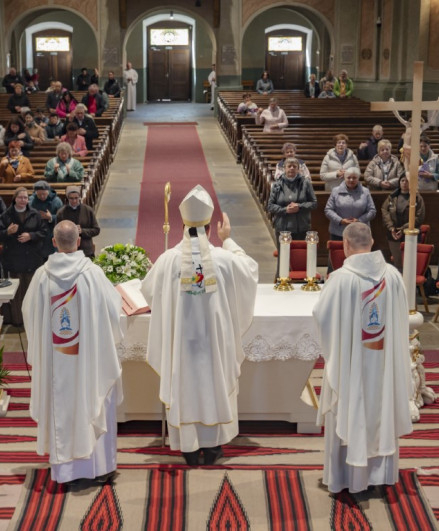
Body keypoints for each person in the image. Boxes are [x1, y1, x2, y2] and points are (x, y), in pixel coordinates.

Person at [142, 185, 259, 466]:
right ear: (209, 228)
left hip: (181, 344)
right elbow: (250, 272)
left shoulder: (168, 260)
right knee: (214, 384)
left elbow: (148, 291)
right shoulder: (224, 258)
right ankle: (214, 447)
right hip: (214, 343)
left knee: (184, 385)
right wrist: (228, 240)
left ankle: (189, 449)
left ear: (183, 225)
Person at [22, 219, 124, 489]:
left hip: (56, 362)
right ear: (79, 241)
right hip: (90, 362)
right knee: (94, 399)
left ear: (54, 242)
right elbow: (113, 311)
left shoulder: (42, 277)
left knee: (62, 405)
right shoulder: (93, 275)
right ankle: (99, 468)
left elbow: (28, 313)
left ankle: (66, 472)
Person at [312, 221, 412, 494]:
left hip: (351, 368)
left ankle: (346, 479)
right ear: (372, 242)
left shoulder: (340, 280)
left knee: (350, 405)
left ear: (345, 244)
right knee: (381, 406)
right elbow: (401, 321)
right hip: (383, 365)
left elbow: (322, 317)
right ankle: (381, 476)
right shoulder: (393, 276)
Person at [0, 187, 50, 326]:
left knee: (32, 292)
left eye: (26, 197)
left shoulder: (34, 214)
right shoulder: (6, 215)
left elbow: (44, 231)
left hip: (32, 258)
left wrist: (31, 235)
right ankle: (18, 321)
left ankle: (33, 321)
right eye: (20, 197)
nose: (23, 200)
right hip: (14, 259)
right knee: (17, 293)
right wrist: (8, 232)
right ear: (15, 198)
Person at [267, 157, 317, 243]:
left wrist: (299, 206)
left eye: (294, 166)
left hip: (301, 227)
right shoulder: (277, 184)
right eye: (289, 166)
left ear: (298, 169)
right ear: (284, 168)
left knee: (300, 251)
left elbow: (314, 203)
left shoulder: (305, 183)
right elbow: (270, 206)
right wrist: (285, 209)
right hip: (283, 228)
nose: (292, 168)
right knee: (283, 252)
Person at [381, 175, 425, 270]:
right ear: (399, 183)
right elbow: (384, 210)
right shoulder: (392, 196)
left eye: (407, 181)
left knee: (410, 262)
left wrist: (403, 229)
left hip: (409, 232)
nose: (404, 183)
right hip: (393, 233)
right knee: (398, 261)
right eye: (402, 181)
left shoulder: (417, 197)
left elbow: (419, 217)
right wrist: (391, 227)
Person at [325, 171, 377, 244]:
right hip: (338, 232)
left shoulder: (365, 191)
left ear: (358, 178)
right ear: (344, 178)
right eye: (348, 177)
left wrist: (359, 221)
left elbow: (372, 211)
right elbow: (328, 210)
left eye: (354, 178)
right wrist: (340, 220)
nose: (351, 180)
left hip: (360, 231)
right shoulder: (335, 191)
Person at [56, 186, 99, 257]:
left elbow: (96, 230)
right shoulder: (61, 213)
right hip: (68, 251)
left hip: (86, 250)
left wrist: (82, 231)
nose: (74, 201)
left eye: (76, 198)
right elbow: (57, 233)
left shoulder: (88, 210)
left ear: (79, 197)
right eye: (71, 198)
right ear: (67, 198)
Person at [29, 180, 64, 262]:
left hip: (51, 235)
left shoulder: (56, 201)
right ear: (36, 193)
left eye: (44, 194)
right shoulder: (31, 201)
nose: (42, 196)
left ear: (48, 191)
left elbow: (62, 218)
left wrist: (51, 217)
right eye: (39, 194)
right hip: (37, 235)